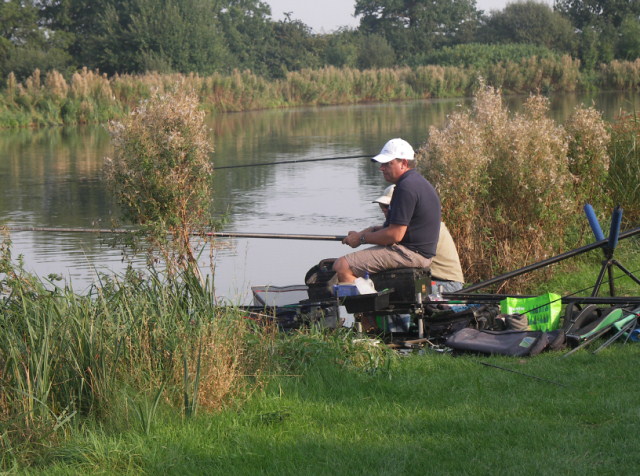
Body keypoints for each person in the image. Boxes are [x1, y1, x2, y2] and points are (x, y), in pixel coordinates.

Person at [332, 138, 441, 283]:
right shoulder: (414, 182)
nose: (381, 168)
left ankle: (365, 298)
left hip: (411, 254)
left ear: (404, 163)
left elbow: (395, 235)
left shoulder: (406, 187)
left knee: (342, 266)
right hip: (416, 252)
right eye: (382, 164)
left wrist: (361, 239)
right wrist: (365, 232)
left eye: (387, 164)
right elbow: (393, 228)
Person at [373, 185, 464, 293]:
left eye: (388, 206)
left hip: (446, 283)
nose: (384, 210)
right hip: (429, 278)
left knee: (396, 287)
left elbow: (390, 249)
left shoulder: (419, 229)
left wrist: (364, 238)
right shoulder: (415, 225)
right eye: (382, 206)